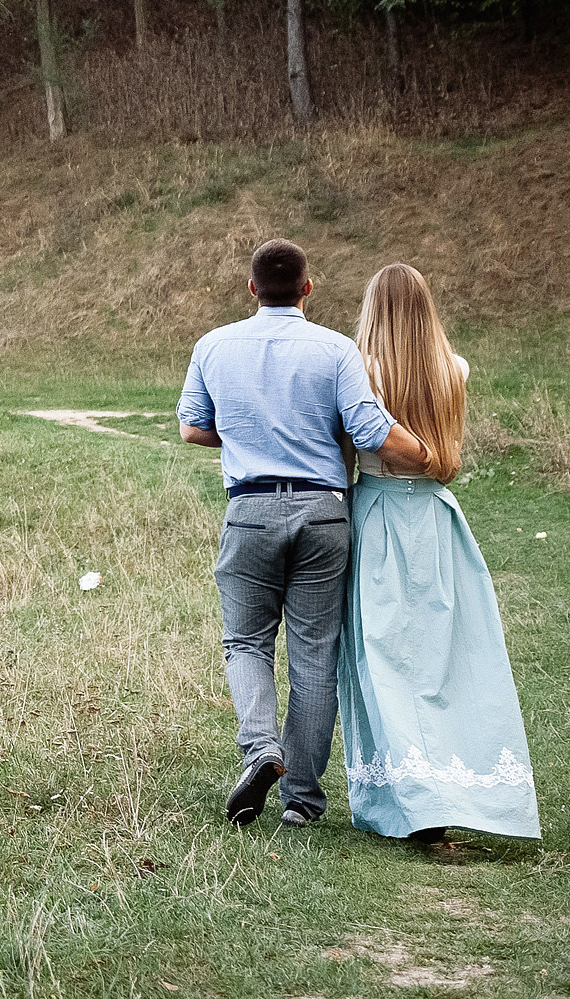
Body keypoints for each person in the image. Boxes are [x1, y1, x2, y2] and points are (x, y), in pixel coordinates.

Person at [178, 239, 434, 827]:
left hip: (250, 511)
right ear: (307, 289)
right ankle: (303, 801)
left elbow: (194, 428)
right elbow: (370, 429)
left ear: (251, 289)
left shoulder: (212, 346)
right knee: (315, 655)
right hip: (324, 513)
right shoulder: (337, 349)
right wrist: (431, 456)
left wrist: (247, 439)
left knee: (246, 643)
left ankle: (261, 748)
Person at [337, 263, 541, 844]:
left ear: (374, 310)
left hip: (376, 514)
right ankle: (450, 787)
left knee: (383, 656)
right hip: (435, 513)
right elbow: (444, 451)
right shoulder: (453, 370)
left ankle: (407, 797)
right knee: (443, 656)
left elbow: (352, 447)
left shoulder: (360, 370)